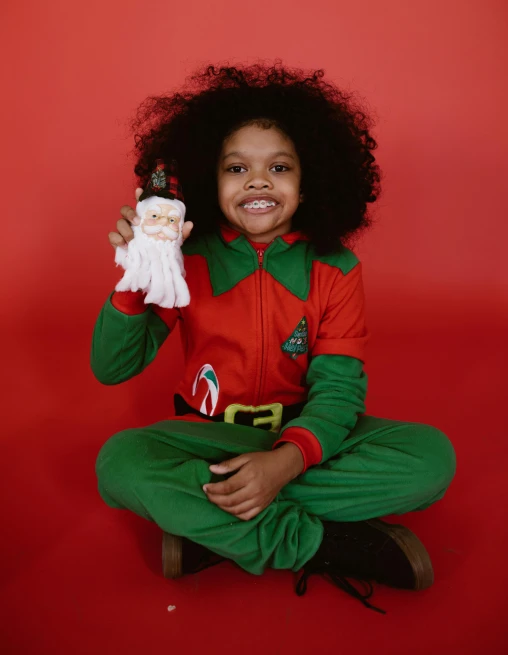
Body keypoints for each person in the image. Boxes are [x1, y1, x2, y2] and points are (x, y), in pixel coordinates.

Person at [92, 62, 456, 614]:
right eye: (236, 167)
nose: (258, 180)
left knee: (432, 459)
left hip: (302, 438)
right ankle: (317, 543)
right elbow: (111, 367)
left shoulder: (335, 268)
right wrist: (132, 277)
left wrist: (284, 463)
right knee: (118, 462)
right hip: (210, 440)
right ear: (209, 182)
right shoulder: (184, 262)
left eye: (279, 167)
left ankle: (208, 521)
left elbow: (338, 393)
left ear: (310, 182)